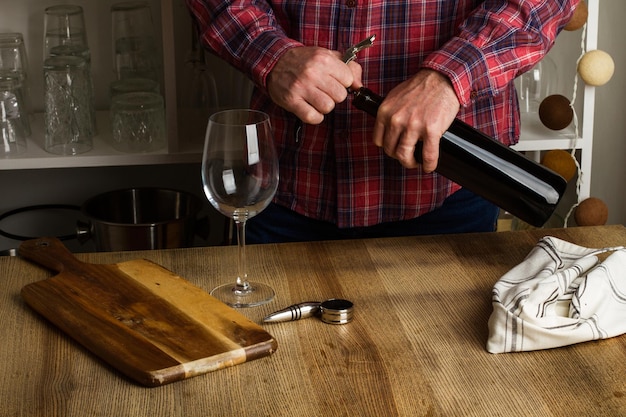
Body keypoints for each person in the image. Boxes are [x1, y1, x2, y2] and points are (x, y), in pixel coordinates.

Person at [185, 0, 579, 243]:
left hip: (451, 189)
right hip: (287, 186)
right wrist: (271, 54)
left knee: (454, 373)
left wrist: (451, 76)